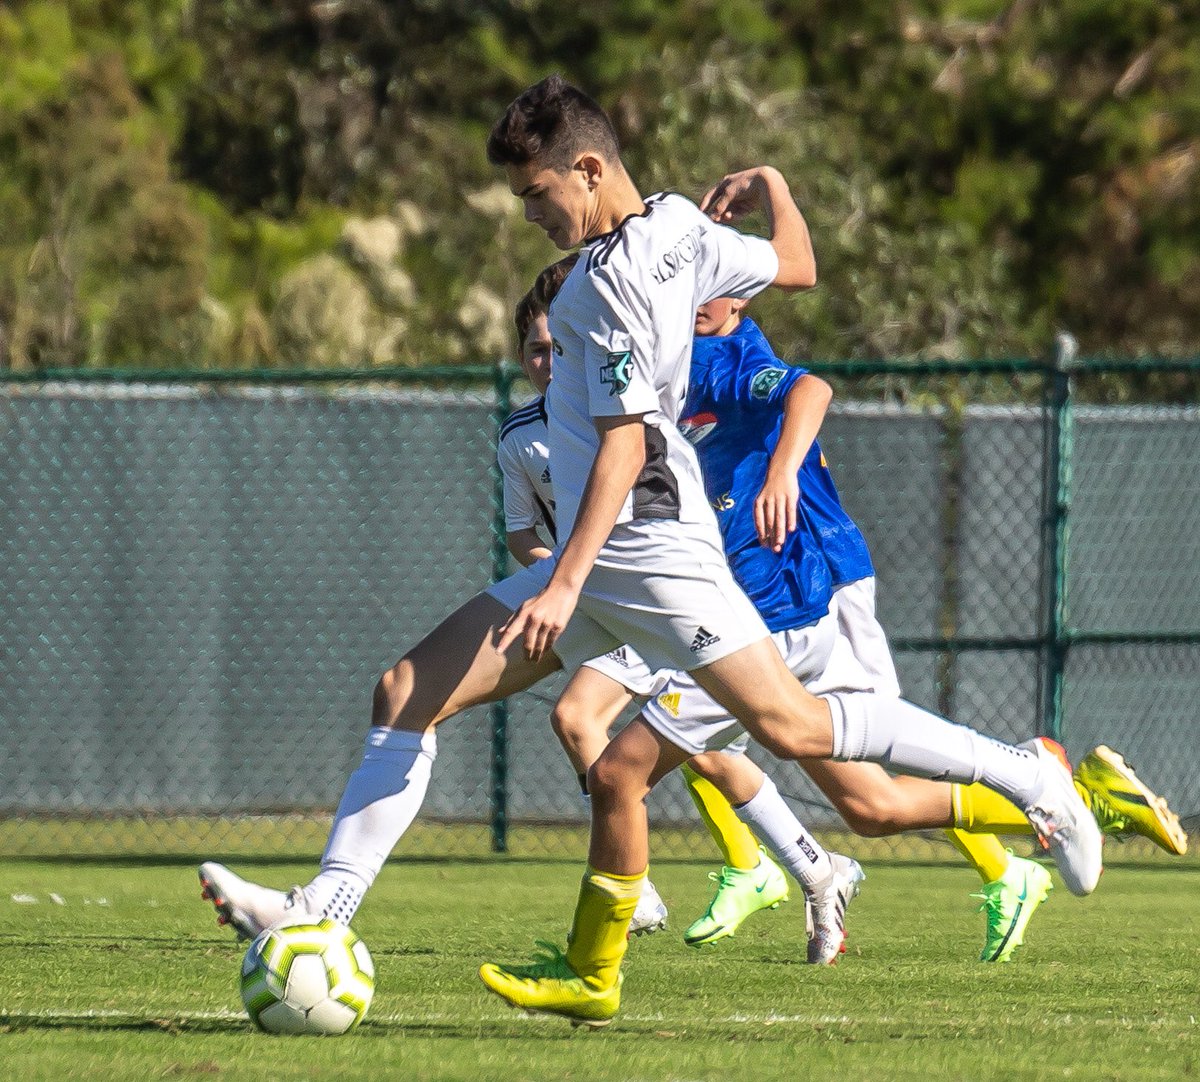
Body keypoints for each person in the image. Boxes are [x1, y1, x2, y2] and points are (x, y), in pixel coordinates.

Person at [197, 76, 1101, 1027]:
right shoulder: (681, 229)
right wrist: (775, 185)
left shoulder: (607, 284)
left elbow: (626, 444)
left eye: (538, 193)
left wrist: (566, 581)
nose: (533, 215)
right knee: (405, 692)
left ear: (587, 168)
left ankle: (1029, 777)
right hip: (606, 549)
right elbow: (798, 266)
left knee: (794, 728)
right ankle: (323, 908)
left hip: (655, 551)